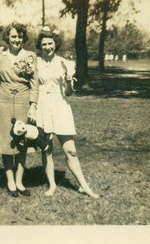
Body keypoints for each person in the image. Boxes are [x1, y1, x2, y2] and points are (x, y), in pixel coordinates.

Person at [35, 26, 99, 198]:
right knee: (46, 148)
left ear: (56, 44)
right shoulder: (35, 63)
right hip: (42, 106)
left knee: (70, 150)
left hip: (60, 106)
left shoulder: (65, 63)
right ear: (40, 46)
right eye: (44, 44)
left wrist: (69, 82)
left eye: (50, 43)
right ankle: (52, 185)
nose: (47, 47)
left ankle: (84, 186)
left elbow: (69, 93)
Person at [0, 22, 39, 197]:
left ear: (23, 38)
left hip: (23, 101)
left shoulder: (31, 56)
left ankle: (20, 181)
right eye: (13, 36)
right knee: (6, 142)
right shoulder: (0, 56)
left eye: (19, 36)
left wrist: (33, 105)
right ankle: (10, 181)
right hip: (2, 102)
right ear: (7, 38)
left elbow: (34, 83)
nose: (16, 39)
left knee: (21, 141)